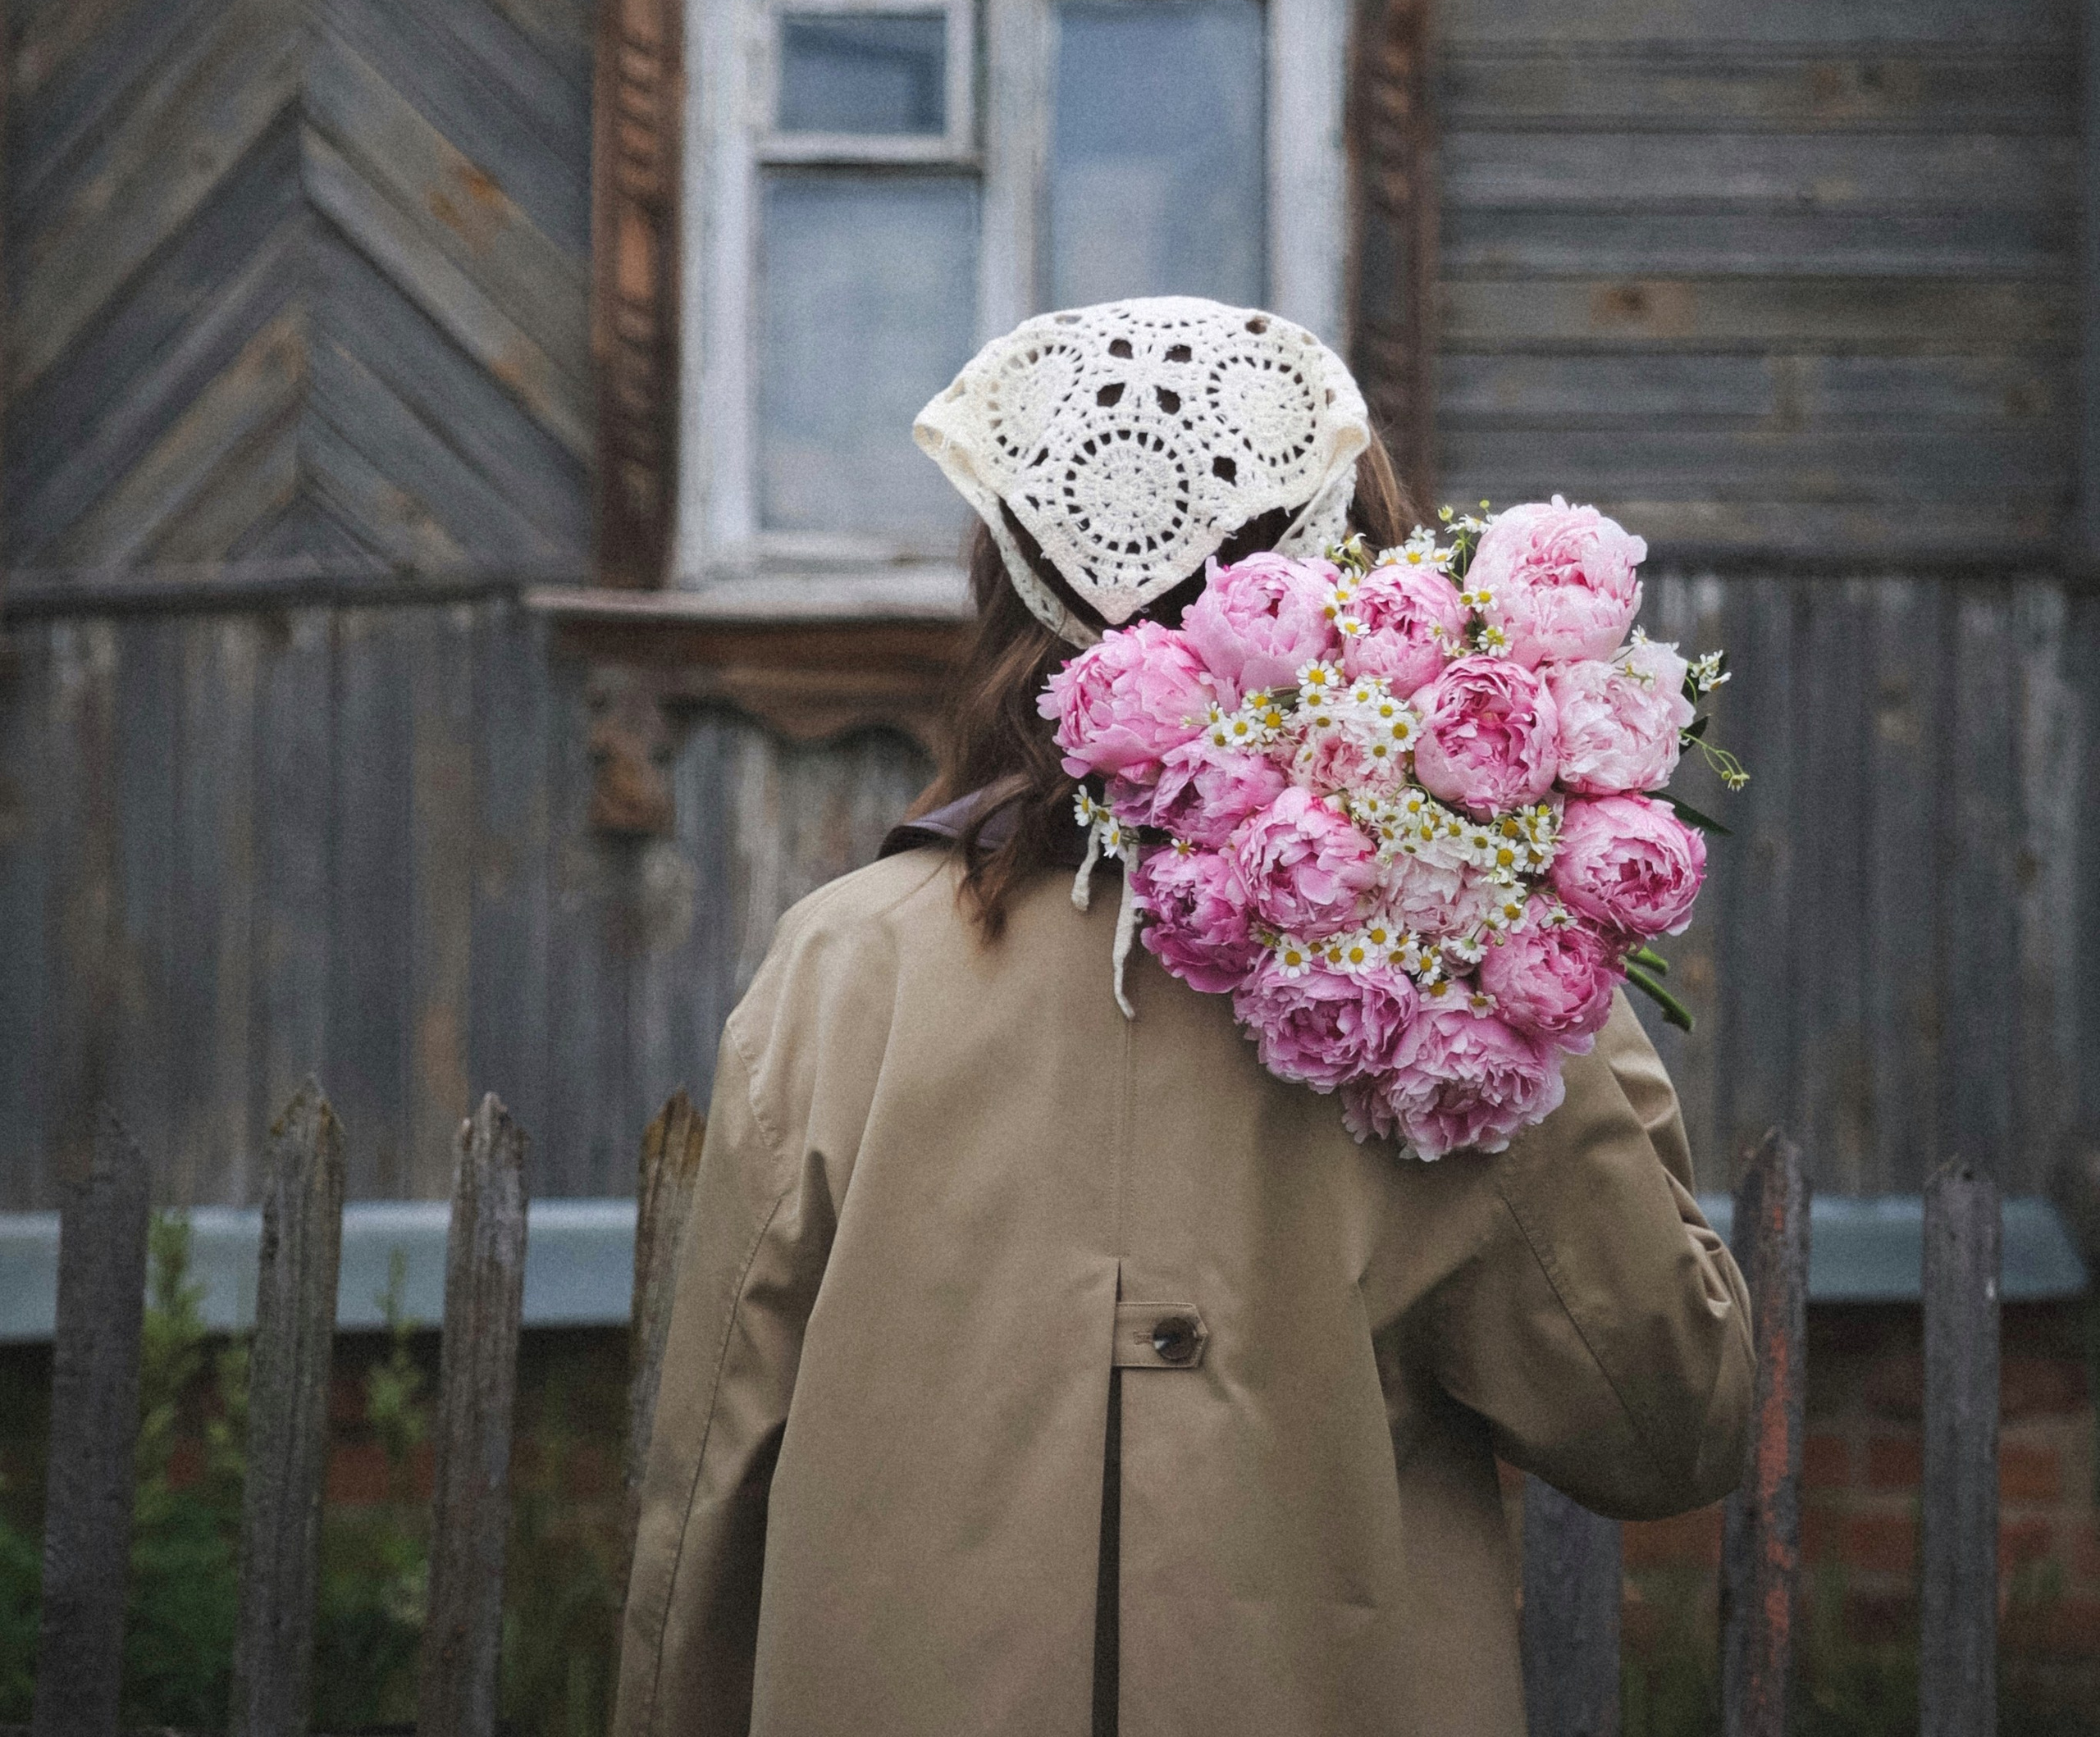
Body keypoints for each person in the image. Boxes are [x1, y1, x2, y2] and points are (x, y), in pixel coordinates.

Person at [614, 299, 1754, 1737]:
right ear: (1350, 561)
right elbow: (1669, 1414)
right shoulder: (1453, 976)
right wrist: (1538, 982)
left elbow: (716, 1464)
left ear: (1011, 585)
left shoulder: (846, 970)